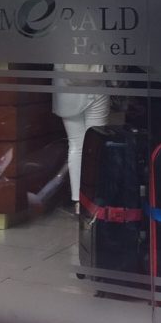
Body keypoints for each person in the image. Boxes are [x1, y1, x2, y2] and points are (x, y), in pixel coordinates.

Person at [52, 63, 110, 212]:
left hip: (66, 87)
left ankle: (79, 201)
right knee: (96, 145)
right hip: (96, 83)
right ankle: (94, 199)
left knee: (76, 145)